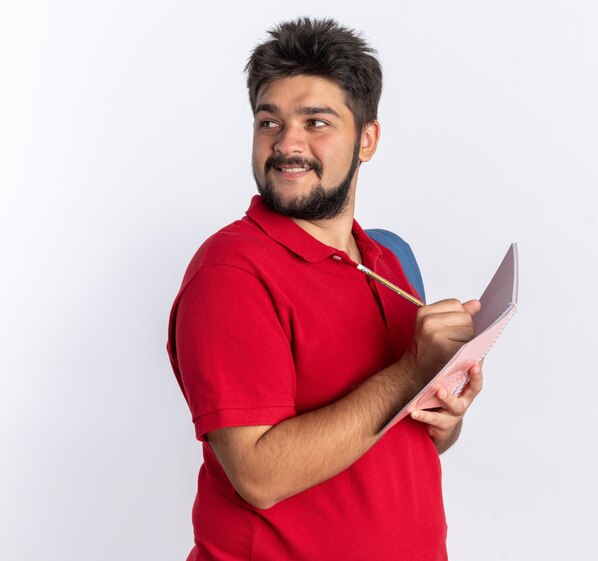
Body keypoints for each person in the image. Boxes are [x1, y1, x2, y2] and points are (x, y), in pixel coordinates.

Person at [167, 17, 483, 561]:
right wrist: (412, 367)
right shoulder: (232, 272)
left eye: (316, 122)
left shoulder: (389, 258)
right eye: (270, 121)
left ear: (368, 139)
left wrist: (446, 414)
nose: (288, 143)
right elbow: (259, 475)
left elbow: (412, 436)